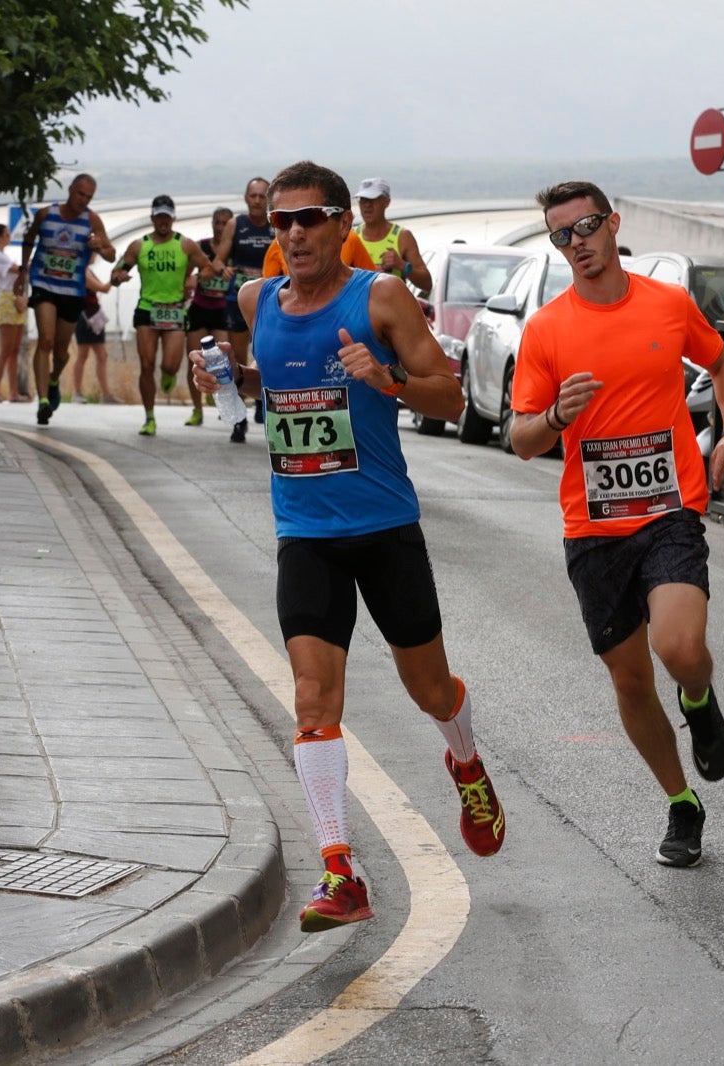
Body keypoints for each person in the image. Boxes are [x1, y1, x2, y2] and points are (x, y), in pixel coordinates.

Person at [192, 160, 506, 933]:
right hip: (306, 535)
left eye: (310, 218)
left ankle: (465, 760)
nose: (293, 233)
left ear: (341, 225)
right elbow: (272, 387)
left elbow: (453, 392)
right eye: (282, 222)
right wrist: (224, 379)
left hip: (385, 529)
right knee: (311, 700)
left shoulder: (382, 297)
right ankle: (341, 870)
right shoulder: (255, 298)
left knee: (431, 690)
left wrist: (388, 376)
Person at [507, 180, 724, 869]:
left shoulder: (667, 306)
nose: (575, 245)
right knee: (632, 681)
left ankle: (698, 699)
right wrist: (556, 417)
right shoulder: (547, 330)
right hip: (593, 528)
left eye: (583, 228)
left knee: (680, 646)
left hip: (669, 512)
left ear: (613, 224)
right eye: (560, 236)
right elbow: (521, 437)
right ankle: (681, 803)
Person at [14, 174, 116, 425]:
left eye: (89, 197)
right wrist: (23, 272)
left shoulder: (92, 219)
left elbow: (112, 255)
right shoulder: (46, 214)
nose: (84, 200)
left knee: (61, 352)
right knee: (45, 340)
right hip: (44, 285)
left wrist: (99, 246)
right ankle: (43, 401)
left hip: (73, 291)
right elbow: (29, 239)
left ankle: (54, 379)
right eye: (81, 194)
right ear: (70, 190)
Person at [112, 195, 214, 436]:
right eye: (159, 216)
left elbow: (208, 267)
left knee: (171, 365)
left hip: (175, 310)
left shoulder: (185, 244)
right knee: (146, 365)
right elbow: (117, 272)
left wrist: (194, 278)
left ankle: (167, 376)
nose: (163, 221)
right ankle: (149, 417)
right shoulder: (139, 245)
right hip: (148, 309)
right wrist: (118, 277)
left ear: (173, 218)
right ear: (152, 218)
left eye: (167, 216)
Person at [212, 177, 274, 440]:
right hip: (238, 298)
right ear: (246, 198)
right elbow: (217, 262)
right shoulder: (236, 225)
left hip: (270, 300)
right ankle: (239, 421)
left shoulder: (277, 225)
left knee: (267, 352)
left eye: (263, 196)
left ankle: (264, 402)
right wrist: (222, 269)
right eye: (253, 196)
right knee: (238, 357)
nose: (258, 201)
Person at [184, 206, 235, 427]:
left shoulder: (234, 250)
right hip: (200, 309)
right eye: (217, 222)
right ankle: (197, 410)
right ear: (212, 224)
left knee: (223, 362)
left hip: (221, 310)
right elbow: (189, 277)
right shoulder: (202, 247)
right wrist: (205, 274)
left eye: (226, 223)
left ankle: (224, 407)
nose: (221, 227)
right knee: (195, 361)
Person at [354, 177, 432, 293]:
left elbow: (427, 284)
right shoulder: (352, 236)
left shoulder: (403, 237)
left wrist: (402, 265)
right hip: (358, 309)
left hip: (391, 309)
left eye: (372, 199)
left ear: (386, 202)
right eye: (363, 200)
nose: (367, 205)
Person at [0, 224, 27, 403]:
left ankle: (13, 392)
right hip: (6, 301)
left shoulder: (1, 255)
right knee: (6, 349)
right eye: (6, 234)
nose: (9, 236)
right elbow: (18, 270)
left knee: (14, 349)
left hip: (14, 300)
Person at [70, 268, 118, 404]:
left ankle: (106, 394)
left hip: (94, 314)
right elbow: (103, 288)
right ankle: (77, 392)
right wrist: (114, 279)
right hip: (84, 315)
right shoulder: (81, 272)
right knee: (83, 354)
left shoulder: (88, 270)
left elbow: (102, 287)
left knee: (102, 355)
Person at [261, 229, 376, 277]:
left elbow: (371, 280)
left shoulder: (351, 238)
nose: (295, 235)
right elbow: (268, 289)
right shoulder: (279, 243)